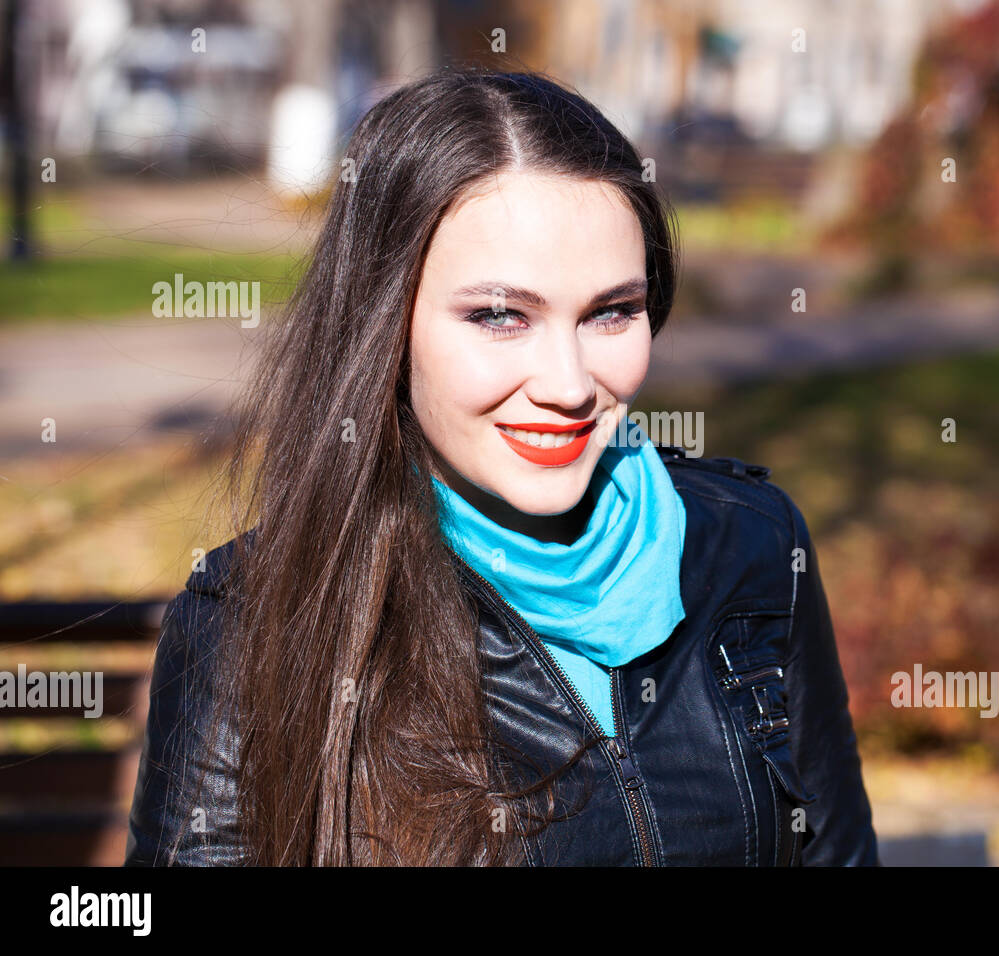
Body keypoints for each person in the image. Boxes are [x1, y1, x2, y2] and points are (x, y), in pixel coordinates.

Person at [124, 67, 880, 867]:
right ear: (386, 324)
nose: (569, 385)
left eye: (611, 312)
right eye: (500, 316)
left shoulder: (755, 547)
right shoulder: (251, 619)